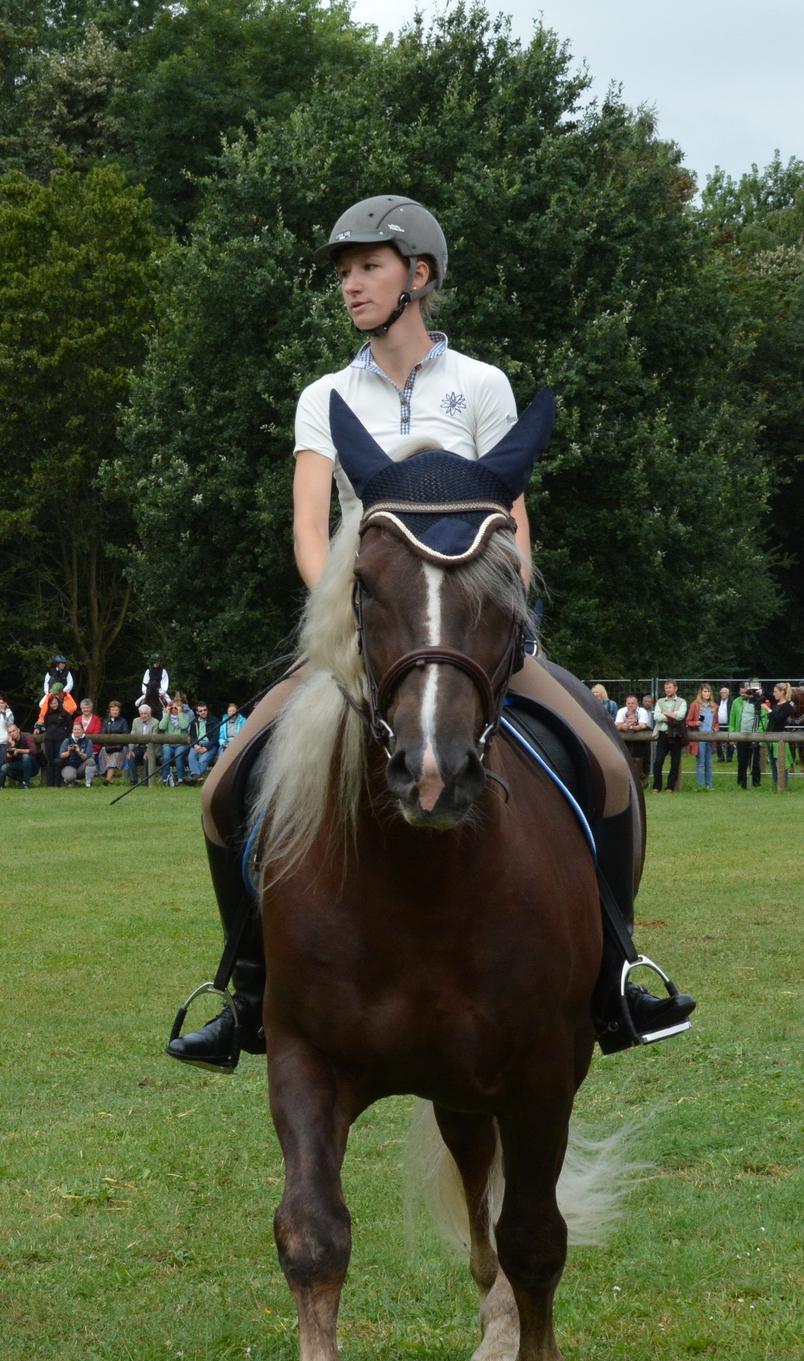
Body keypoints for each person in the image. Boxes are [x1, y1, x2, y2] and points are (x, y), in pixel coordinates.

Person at [169, 193, 694, 1070]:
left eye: (367, 267)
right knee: (223, 789)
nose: (350, 286)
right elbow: (310, 530)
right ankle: (247, 989)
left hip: (475, 635)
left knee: (605, 767)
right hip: (360, 637)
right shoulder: (323, 396)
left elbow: (511, 523)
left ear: (418, 276)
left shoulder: (480, 386)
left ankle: (615, 976)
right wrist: (342, 612)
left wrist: (504, 602)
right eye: (342, 274)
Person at [729, 681, 767, 788]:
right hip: (741, 736)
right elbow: (732, 718)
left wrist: (758, 734)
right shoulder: (736, 702)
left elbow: (763, 718)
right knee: (742, 762)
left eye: (745, 693)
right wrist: (732, 734)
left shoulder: (758, 703)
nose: (742, 695)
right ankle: (741, 783)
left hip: (754, 736)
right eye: (741, 693)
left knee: (754, 762)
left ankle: (756, 783)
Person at [652, 679, 688, 792]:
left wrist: (665, 714)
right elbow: (656, 716)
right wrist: (672, 716)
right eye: (666, 688)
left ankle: (670, 787)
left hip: (676, 735)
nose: (668, 690)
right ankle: (657, 786)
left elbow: (680, 716)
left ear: (675, 688)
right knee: (658, 761)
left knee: (675, 762)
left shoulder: (682, 702)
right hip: (663, 734)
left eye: (670, 687)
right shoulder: (660, 702)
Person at [614, 693, 652, 784]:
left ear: (637, 704)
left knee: (643, 758)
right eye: (629, 703)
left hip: (641, 737)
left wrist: (631, 727)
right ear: (626, 704)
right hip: (626, 737)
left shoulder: (642, 711)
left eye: (633, 703)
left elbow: (643, 725)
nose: (630, 705)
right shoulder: (621, 711)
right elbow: (617, 725)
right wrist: (623, 726)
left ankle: (643, 777)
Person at [37, 691, 72, 785]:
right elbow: (46, 724)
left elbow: (69, 726)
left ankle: (58, 781)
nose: (54, 705)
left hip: (60, 739)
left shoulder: (65, 713)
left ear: (58, 703)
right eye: (52, 703)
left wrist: (64, 734)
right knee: (50, 760)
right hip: (49, 739)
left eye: (55, 703)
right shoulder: (48, 714)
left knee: (58, 759)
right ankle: (50, 781)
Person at [686, 683, 717, 789]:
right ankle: (701, 786)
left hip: (710, 737)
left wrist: (716, 728)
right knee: (700, 763)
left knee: (709, 763)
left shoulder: (714, 706)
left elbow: (716, 722)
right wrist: (695, 723)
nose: (707, 693)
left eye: (708, 691)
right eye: (705, 691)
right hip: (699, 738)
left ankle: (709, 785)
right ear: (701, 693)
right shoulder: (695, 705)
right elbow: (688, 721)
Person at [187, 702, 220, 781]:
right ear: (197, 712)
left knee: (203, 760)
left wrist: (206, 748)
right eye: (201, 711)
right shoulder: (194, 722)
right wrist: (195, 745)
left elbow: (215, 738)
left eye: (205, 710)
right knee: (191, 757)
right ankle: (197, 778)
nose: (203, 712)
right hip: (197, 744)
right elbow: (192, 736)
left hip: (210, 745)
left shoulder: (214, 721)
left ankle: (194, 778)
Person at [59, 718, 96, 786]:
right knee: (70, 777)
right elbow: (61, 755)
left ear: (82, 730)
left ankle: (88, 783)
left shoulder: (88, 741)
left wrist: (79, 752)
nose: (76, 731)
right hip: (69, 765)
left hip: (81, 767)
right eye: (75, 729)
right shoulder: (67, 740)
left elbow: (87, 756)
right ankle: (71, 781)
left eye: (78, 729)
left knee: (91, 761)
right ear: (72, 730)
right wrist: (69, 751)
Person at [3, 722, 39, 788]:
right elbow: (6, 759)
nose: (12, 733)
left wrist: (18, 750)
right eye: (10, 732)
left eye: (13, 731)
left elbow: (34, 750)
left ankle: (27, 783)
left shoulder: (27, 736)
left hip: (32, 765)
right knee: (4, 767)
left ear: (18, 730)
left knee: (25, 756)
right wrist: (12, 746)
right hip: (19, 765)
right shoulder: (10, 742)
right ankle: (1, 786)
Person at [99, 700, 127, 785]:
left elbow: (126, 734)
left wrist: (118, 744)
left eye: (116, 710)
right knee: (103, 750)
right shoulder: (106, 722)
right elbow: (102, 734)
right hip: (108, 746)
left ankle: (108, 780)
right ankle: (110, 780)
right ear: (110, 711)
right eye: (113, 710)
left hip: (120, 747)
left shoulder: (123, 721)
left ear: (119, 711)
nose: (115, 712)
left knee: (114, 754)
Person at [715, 685, 734, 762]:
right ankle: (720, 757)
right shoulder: (717, 702)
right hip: (719, 724)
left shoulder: (731, 702)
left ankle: (729, 757)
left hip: (728, 724)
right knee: (717, 741)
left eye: (725, 692)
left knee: (730, 741)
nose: (723, 694)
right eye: (722, 692)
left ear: (728, 693)